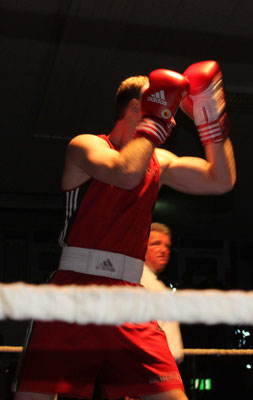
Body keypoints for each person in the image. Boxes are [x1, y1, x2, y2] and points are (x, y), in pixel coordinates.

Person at [13, 61, 236, 400]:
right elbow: (126, 173)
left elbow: (221, 180)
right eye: (168, 109)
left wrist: (210, 120)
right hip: (75, 292)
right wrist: (154, 120)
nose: (173, 121)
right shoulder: (85, 146)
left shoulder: (160, 160)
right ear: (138, 107)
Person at [141, 222, 184, 364]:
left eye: (167, 245)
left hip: (163, 367)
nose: (163, 250)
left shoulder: (155, 284)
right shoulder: (138, 282)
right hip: (152, 367)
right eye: (156, 244)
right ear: (142, 246)